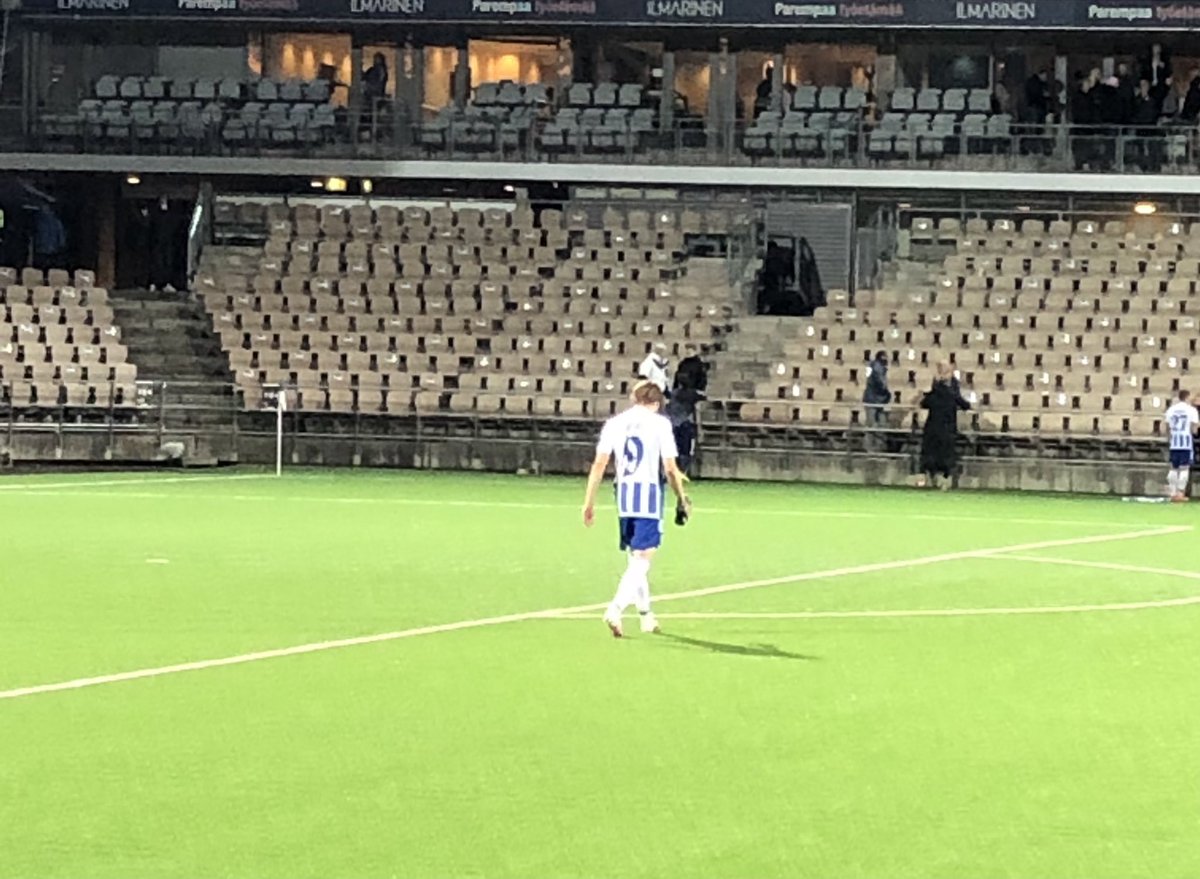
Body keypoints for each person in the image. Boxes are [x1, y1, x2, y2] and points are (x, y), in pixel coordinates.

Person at [582, 381, 692, 638]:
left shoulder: (615, 423)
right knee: (644, 558)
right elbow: (669, 467)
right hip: (649, 496)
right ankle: (615, 607)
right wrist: (681, 497)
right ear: (657, 402)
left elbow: (599, 465)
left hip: (624, 495)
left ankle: (646, 615)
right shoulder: (660, 424)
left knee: (635, 557)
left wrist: (588, 502)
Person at [917, 362, 970, 489]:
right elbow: (964, 404)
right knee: (945, 455)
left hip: (933, 428)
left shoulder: (934, 393)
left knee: (931, 454)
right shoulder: (952, 394)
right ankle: (944, 480)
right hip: (947, 428)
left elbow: (923, 403)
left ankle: (929, 478)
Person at [1165, 389, 1199, 502]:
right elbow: (1194, 429)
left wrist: (1170, 439)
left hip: (1174, 443)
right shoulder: (1191, 410)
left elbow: (1167, 427)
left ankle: (1172, 493)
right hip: (1185, 443)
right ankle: (1180, 493)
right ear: (1187, 397)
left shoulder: (1171, 409)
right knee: (1184, 468)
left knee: (1173, 468)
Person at [863, 351, 891, 427]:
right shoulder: (877, 369)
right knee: (873, 423)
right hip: (873, 400)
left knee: (876, 423)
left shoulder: (876, 368)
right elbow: (879, 385)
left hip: (875, 400)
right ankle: (874, 438)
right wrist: (886, 394)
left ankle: (876, 437)